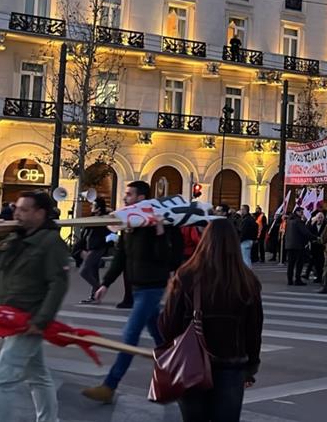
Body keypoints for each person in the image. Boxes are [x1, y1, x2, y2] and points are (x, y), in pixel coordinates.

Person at [0, 192, 69, 422]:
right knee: (37, 375)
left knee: (2, 378)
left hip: (29, 319)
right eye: (16, 208)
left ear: (40, 213)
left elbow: (58, 284)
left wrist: (41, 321)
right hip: (11, 316)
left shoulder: (50, 242)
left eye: (24, 210)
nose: (17, 213)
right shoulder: (16, 237)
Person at [159, 219, 263, 422]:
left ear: (205, 241)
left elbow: (169, 325)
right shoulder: (247, 281)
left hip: (191, 365)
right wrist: (250, 368)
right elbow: (254, 330)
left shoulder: (187, 276)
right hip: (231, 367)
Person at [83, 181, 174, 404]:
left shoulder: (156, 224)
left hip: (152, 287)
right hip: (138, 287)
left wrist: (160, 230)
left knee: (129, 336)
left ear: (141, 198)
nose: (125, 198)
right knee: (159, 336)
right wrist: (105, 283)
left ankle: (109, 385)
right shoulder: (130, 225)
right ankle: (180, 368)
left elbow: (165, 257)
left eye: (129, 195)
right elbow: (120, 257)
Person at [77, 198, 110, 304]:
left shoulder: (101, 219)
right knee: (93, 272)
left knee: (84, 271)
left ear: (98, 208)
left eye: (93, 205)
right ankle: (94, 296)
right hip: (92, 247)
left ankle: (99, 289)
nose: (91, 207)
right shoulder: (94, 218)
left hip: (97, 248)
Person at [283, 208, 311, 286]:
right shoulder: (298, 221)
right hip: (298, 245)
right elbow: (305, 232)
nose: (302, 213)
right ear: (297, 212)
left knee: (291, 264)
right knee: (299, 263)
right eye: (301, 212)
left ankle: (290, 280)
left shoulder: (289, 220)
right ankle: (297, 279)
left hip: (289, 245)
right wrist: (314, 238)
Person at [239, 204, 258, 269]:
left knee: (245, 258)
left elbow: (244, 232)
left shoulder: (246, 220)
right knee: (246, 258)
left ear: (245, 210)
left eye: (242, 209)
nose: (240, 211)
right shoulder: (251, 219)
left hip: (245, 241)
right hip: (249, 240)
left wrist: (239, 240)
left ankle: (248, 273)